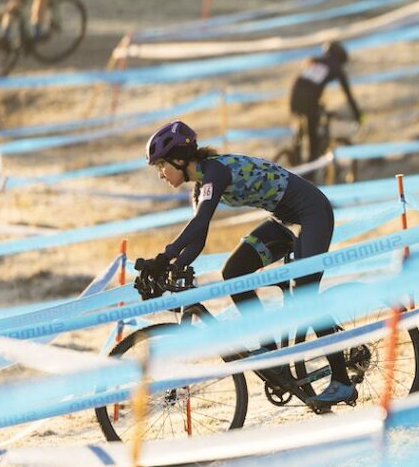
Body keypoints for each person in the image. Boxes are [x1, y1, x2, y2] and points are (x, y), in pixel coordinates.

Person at [142, 119, 356, 407]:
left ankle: (342, 380)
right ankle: (270, 349)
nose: (160, 175)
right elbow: (198, 236)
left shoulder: (215, 171)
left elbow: (199, 222)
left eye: (160, 166)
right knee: (233, 272)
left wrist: (163, 256)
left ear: (179, 159)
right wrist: (173, 265)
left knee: (306, 298)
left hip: (312, 213)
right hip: (284, 220)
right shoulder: (201, 186)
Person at [288, 40, 364, 166]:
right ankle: (310, 169)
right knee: (314, 140)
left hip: (295, 97)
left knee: (306, 124)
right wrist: (357, 115)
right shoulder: (335, 67)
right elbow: (348, 95)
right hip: (309, 101)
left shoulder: (314, 61)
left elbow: (305, 84)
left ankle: (296, 151)